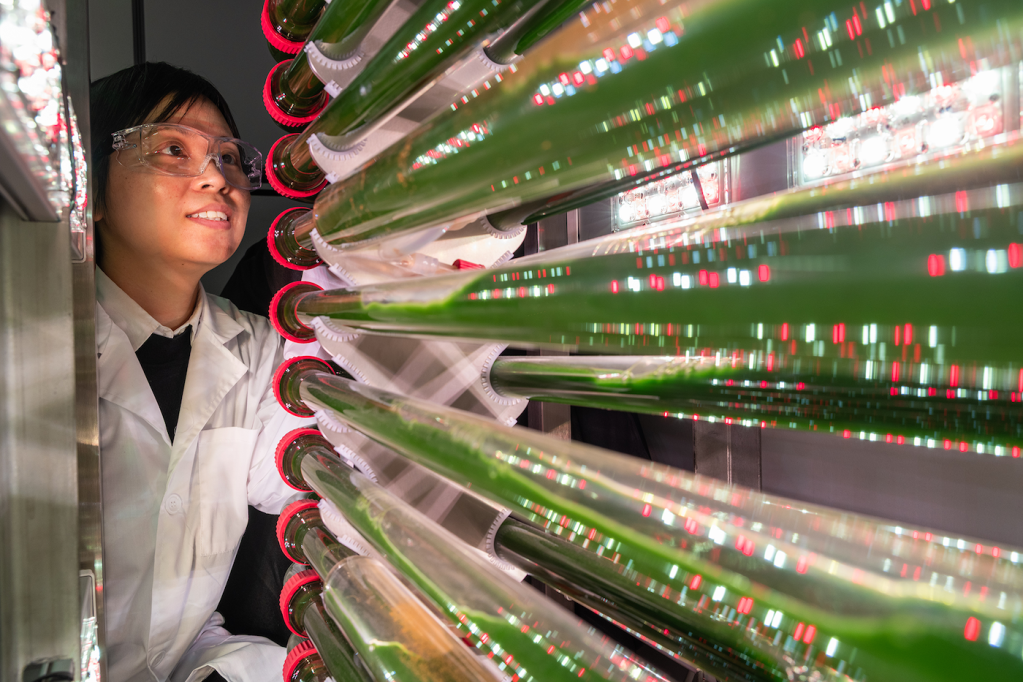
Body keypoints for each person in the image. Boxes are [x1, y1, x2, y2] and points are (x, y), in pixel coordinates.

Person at [91, 62, 307, 682]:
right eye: (172, 150)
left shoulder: (259, 347)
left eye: (230, 158)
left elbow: (292, 480)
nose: (216, 177)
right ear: (95, 194)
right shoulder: (35, 344)